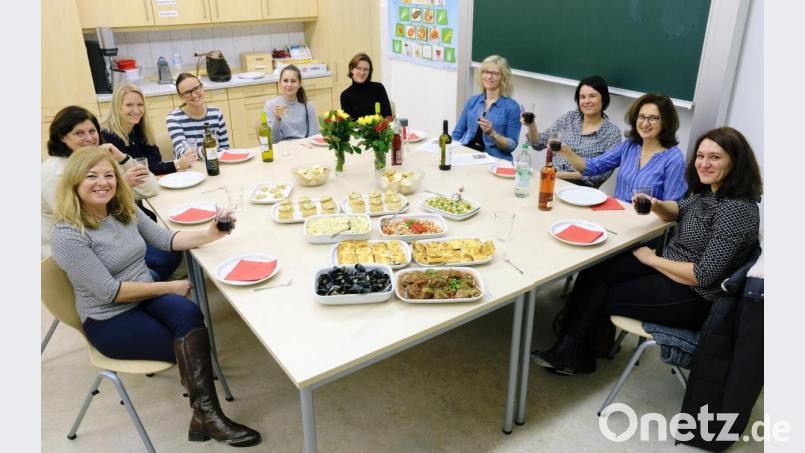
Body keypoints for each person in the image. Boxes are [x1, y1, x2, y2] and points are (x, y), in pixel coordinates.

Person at [50, 147, 261, 447]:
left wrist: (212, 234)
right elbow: (110, 292)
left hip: (143, 296)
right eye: (91, 176)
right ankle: (208, 416)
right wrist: (168, 286)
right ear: (74, 183)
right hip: (109, 317)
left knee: (190, 316)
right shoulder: (68, 234)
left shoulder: (123, 208)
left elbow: (165, 239)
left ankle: (205, 417)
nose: (103, 182)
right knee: (180, 342)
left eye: (109, 175)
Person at [532, 127, 762, 375]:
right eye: (700, 156)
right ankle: (575, 349)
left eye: (715, 157)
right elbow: (679, 208)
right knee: (597, 269)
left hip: (695, 295)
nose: (704, 163)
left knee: (603, 294)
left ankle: (578, 354)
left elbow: (703, 275)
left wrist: (652, 260)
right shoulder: (711, 193)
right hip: (671, 268)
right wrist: (657, 205)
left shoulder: (737, 210)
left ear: (735, 162)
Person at [42, 106, 152, 259]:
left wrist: (122, 158)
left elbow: (151, 189)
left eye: (92, 131)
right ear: (62, 137)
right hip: (78, 255)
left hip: (113, 239)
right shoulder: (54, 171)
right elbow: (75, 219)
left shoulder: (97, 160)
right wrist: (121, 185)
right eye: (79, 133)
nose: (89, 138)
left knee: (170, 253)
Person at [553, 92, 687, 201]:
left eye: (653, 118)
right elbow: (593, 166)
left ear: (666, 122)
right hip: (617, 216)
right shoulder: (630, 146)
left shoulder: (673, 158)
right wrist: (566, 152)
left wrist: (655, 205)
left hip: (647, 225)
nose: (645, 123)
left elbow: (674, 208)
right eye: (641, 117)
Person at [521, 75, 622, 188]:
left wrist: (561, 175)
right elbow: (538, 143)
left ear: (603, 98)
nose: (586, 101)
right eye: (582, 97)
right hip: (552, 179)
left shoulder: (612, 133)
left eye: (592, 96)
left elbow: (600, 175)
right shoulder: (568, 118)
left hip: (582, 189)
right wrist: (531, 125)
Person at [102, 83, 197, 175]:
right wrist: (178, 164)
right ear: (117, 107)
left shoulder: (138, 128)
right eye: (129, 105)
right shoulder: (107, 136)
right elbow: (137, 171)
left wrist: (178, 164)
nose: (136, 110)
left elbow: (153, 164)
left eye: (140, 105)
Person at [451, 55, 521, 161]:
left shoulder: (512, 107)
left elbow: (511, 146)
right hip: (468, 153)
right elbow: (457, 133)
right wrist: (450, 151)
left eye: (494, 73)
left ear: (503, 77)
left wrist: (492, 133)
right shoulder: (473, 101)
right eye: (486, 72)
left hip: (493, 159)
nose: (489, 77)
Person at [167, 73, 231, 158]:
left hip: (215, 165)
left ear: (202, 87)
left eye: (196, 88)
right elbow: (183, 154)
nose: (194, 95)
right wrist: (207, 149)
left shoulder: (216, 114)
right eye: (187, 92)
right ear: (181, 96)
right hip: (190, 169)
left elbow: (225, 148)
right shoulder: (174, 119)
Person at [263, 65, 319, 143]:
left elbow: (314, 136)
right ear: (279, 83)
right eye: (285, 81)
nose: (289, 85)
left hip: (305, 148)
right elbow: (273, 141)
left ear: (299, 84)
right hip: (282, 150)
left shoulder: (308, 106)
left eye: (293, 81)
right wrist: (277, 120)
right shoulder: (270, 105)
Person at [339, 53, 392, 119]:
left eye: (366, 69)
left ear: (369, 72)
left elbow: (388, 116)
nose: (362, 72)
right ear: (352, 69)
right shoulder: (345, 96)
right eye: (359, 68)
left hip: (380, 128)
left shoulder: (379, 88)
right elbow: (349, 124)